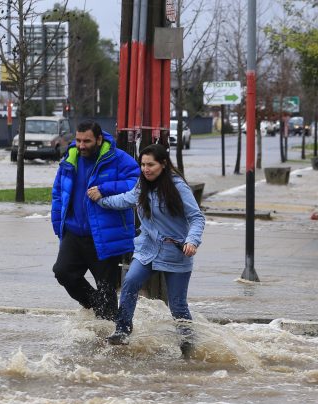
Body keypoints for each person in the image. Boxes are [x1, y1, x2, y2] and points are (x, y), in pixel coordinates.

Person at [87, 144, 205, 348]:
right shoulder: (142, 185)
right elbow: (125, 200)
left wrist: (192, 241)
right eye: (142, 164)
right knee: (130, 282)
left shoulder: (178, 187)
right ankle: (122, 330)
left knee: (177, 305)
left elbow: (197, 217)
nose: (145, 169)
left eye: (150, 164)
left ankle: (188, 344)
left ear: (163, 164)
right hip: (147, 249)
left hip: (175, 252)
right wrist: (101, 200)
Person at [51, 121, 141, 320]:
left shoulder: (118, 159)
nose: (81, 145)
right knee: (62, 272)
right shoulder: (70, 157)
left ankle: (111, 335)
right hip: (73, 232)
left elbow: (136, 182)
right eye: (78, 140)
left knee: (106, 288)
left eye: (87, 141)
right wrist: (58, 225)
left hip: (104, 234)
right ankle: (97, 307)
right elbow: (59, 192)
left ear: (99, 140)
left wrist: (105, 189)